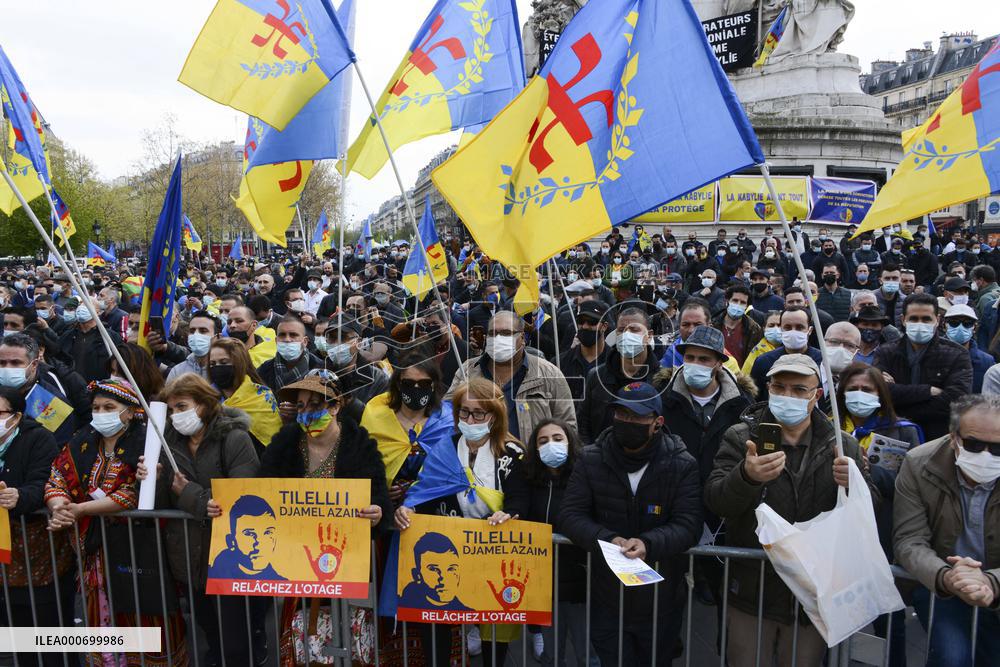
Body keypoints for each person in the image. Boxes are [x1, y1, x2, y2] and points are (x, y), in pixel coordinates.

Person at [706, 354, 873, 667]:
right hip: (753, 592)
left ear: (816, 395)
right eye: (779, 387)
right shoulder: (741, 437)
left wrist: (855, 485)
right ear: (768, 388)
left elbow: (868, 515)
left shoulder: (842, 445)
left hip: (813, 595)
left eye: (799, 389)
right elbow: (717, 501)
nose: (788, 396)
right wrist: (746, 477)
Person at [44, 379, 187, 666]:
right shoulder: (82, 440)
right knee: (101, 614)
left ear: (131, 411)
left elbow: (133, 494)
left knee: (146, 611)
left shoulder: (147, 441)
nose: (101, 412)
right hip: (96, 555)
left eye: (109, 407)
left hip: (138, 549)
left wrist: (81, 509)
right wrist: (59, 506)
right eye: (96, 407)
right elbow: (57, 477)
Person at [561, 381, 702, 664]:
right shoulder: (591, 458)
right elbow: (570, 515)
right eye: (621, 414)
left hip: (661, 601)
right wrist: (608, 539)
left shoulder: (681, 464)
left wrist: (648, 543)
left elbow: (689, 525)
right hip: (607, 598)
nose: (627, 422)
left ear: (657, 422)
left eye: (636, 416)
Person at [259, 369, 390, 665]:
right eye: (302, 406)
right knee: (307, 639)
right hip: (299, 559)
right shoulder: (284, 444)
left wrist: (378, 511)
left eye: (316, 404)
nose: (307, 412)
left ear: (336, 406)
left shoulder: (360, 445)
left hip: (350, 559)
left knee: (352, 639)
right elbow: (262, 491)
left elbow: (379, 495)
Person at [396, 377, 526, 667]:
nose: (470, 419)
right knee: (438, 623)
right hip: (447, 552)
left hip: (493, 552)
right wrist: (409, 509)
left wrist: (510, 513)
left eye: (479, 413)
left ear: (495, 415)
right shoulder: (445, 448)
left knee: (493, 629)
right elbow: (425, 491)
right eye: (464, 412)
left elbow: (521, 499)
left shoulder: (513, 453)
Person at [139, 372, 261, 667]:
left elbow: (241, 500)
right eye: (170, 410)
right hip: (188, 560)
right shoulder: (170, 441)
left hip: (229, 560)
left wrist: (189, 492)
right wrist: (149, 481)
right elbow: (159, 505)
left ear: (204, 405)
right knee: (209, 633)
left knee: (235, 641)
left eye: (181, 407)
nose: (175, 415)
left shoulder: (235, 439)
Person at [893, 394, 1000, 667]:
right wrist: (946, 577)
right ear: (954, 438)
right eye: (974, 444)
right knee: (952, 658)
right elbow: (909, 540)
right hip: (942, 585)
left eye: (998, 448)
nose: (986, 455)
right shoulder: (919, 463)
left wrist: (990, 581)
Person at [500, 419, 592, 665]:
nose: (551, 444)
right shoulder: (529, 477)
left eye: (557, 438)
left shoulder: (586, 475)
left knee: (589, 651)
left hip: (583, 579)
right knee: (552, 653)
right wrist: (508, 515)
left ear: (570, 442)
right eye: (543, 441)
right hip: (544, 581)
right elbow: (517, 504)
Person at [0, 387, 75, 667]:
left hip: (37, 552)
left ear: (16, 416)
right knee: (18, 632)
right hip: (3, 553)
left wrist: (20, 496)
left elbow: (45, 481)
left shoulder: (39, 439)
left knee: (48, 627)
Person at [447, 310, 576, 441]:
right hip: (477, 456)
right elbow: (447, 415)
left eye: (506, 333)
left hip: (528, 458)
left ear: (523, 338)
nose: (498, 338)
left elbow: (567, 425)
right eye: (492, 333)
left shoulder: (549, 373)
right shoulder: (467, 371)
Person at [875, 293, 973, 440]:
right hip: (893, 435)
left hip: (938, 437)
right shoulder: (886, 352)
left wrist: (900, 406)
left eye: (926, 319)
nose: (920, 323)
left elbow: (957, 400)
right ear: (903, 320)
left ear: (937, 320)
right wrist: (927, 391)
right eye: (914, 319)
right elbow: (879, 392)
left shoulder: (957, 354)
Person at [578, 306, 660, 443]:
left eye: (634, 330)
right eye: (621, 330)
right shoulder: (597, 376)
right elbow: (582, 423)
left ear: (649, 335)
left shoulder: (660, 378)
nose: (627, 335)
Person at [210, 337, 282, 454]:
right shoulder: (206, 400)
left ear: (239, 363)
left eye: (224, 362)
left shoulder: (262, 397)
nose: (217, 368)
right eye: (212, 364)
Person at [750, 308, 823, 399]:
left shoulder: (823, 362)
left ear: (810, 330)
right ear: (781, 329)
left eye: (799, 327)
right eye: (787, 327)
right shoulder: (764, 361)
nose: (793, 332)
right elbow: (754, 398)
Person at [258, 314, 326, 392]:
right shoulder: (264, 370)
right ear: (276, 341)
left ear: (305, 341)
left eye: (293, 335)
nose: (287, 339)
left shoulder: (320, 368)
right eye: (282, 335)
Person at [943, 304, 994, 393]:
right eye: (954, 322)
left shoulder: (986, 361)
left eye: (967, 323)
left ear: (974, 327)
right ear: (944, 326)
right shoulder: (932, 355)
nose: (960, 327)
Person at [711, 283, 761, 368]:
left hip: (740, 376)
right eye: (735, 300)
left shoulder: (754, 329)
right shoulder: (712, 324)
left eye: (742, 302)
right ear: (727, 301)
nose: (738, 304)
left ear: (747, 306)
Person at [165, 310, 220, 382]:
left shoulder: (222, 370)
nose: (196, 335)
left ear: (216, 337)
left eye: (203, 331)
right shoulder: (177, 371)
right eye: (192, 331)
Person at [741, 310, 782, 375]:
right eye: (771, 325)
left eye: (779, 325)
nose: (776, 329)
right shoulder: (758, 351)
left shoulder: (790, 348)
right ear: (764, 328)